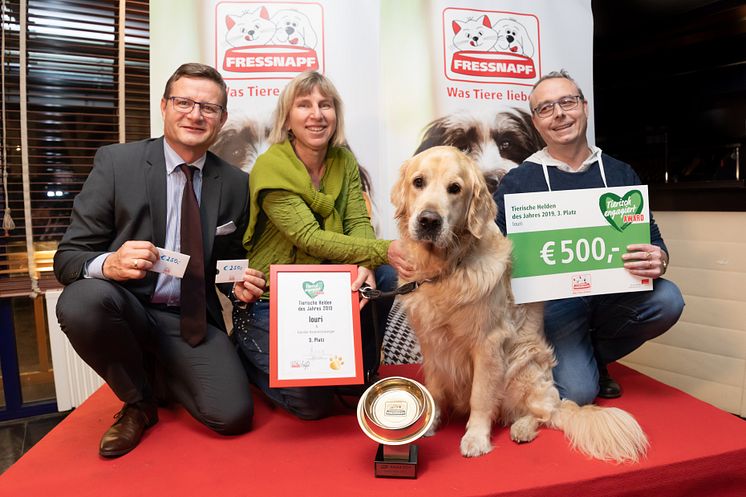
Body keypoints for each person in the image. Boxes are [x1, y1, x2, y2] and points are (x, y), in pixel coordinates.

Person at [53, 63, 266, 458]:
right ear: (164, 106)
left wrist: (237, 283)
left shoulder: (236, 183)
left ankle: (164, 370)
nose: (195, 114)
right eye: (184, 102)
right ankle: (139, 403)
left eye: (209, 107)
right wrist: (109, 263)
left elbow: (226, 264)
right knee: (81, 302)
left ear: (221, 118)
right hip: (124, 306)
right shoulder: (117, 164)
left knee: (233, 416)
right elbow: (67, 259)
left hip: (189, 319)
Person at [494, 70, 685, 405]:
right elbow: (493, 252)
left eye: (567, 102)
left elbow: (654, 239)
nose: (559, 114)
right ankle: (582, 363)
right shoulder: (518, 181)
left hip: (614, 293)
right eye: (546, 108)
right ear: (537, 123)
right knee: (579, 394)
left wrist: (659, 258)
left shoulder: (619, 173)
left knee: (667, 299)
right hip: (556, 306)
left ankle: (594, 357)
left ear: (584, 107)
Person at [234, 71, 411, 420]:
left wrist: (368, 267)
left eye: (325, 105)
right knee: (311, 406)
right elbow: (309, 238)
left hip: (327, 290)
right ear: (287, 118)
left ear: (336, 114)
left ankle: (357, 370)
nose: (317, 114)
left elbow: (359, 221)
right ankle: (246, 356)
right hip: (275, 298)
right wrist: (382, 250)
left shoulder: (343, 160)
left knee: (385, 276)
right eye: (304, 105)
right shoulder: (270, 166)